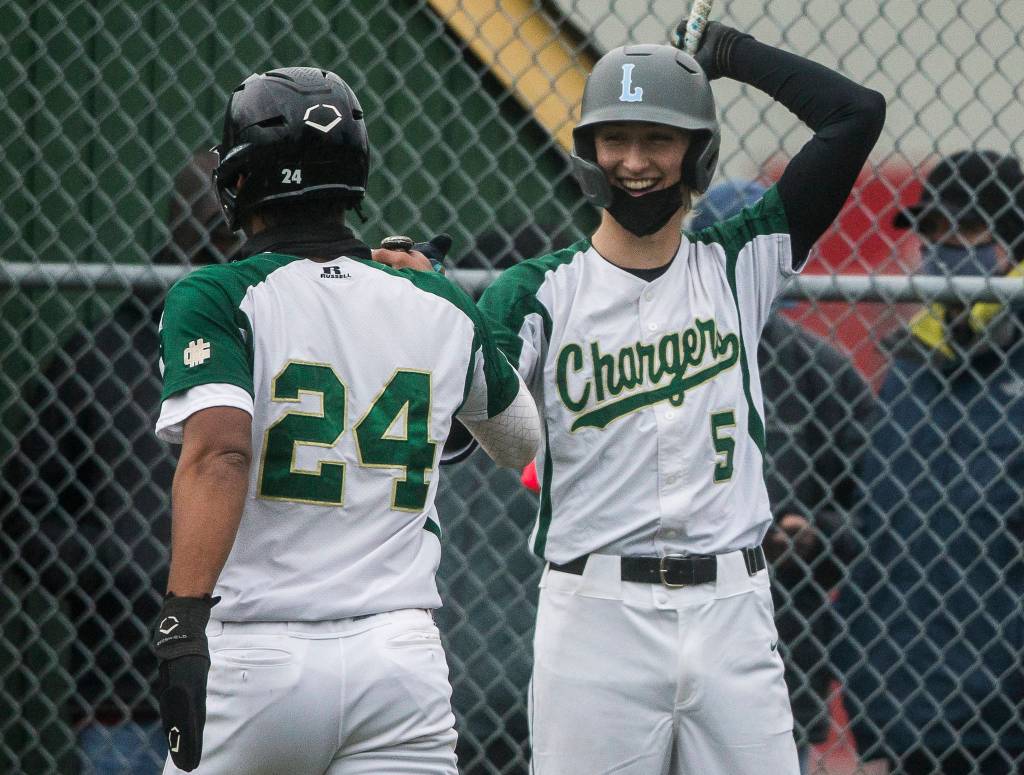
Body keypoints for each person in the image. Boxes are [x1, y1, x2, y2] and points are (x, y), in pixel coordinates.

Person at [472, 20, 885, 774]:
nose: (634, 161)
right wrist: (447, 334)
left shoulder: (741, 262)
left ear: (696, 154)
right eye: (616, 138)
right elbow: (484, 433)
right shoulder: (533, 291)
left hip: (732, 608)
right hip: (594, 612)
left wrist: (731, 55)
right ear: (588, 149)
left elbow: (855, 114)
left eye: (660, 139)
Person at [151, 66, 540, 774]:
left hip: (257, 653)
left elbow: (219, 457)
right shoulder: (434, 300)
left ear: (241, 181)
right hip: (397, 660)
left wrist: (181, 624)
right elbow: (521, 439)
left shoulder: (214, 294)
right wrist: (446, 315)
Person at [0, 149, 237, 775]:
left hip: (262, 684)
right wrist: (132, 559)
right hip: (127, 696)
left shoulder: (280, 354)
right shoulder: (99, 360)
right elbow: (19, 527)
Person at [833, 149, 1024, 775]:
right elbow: (879, 542)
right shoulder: (910, 370)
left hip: (1006, 727)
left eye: (967, 231)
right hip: (909, 716)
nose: (943, 249)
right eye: (933, 231)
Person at [691, 180, 879, 774]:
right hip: (655, 608)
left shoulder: (820, 374)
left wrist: (815, 535)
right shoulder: (647, 357)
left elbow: (882, 513)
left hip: (778, 632)